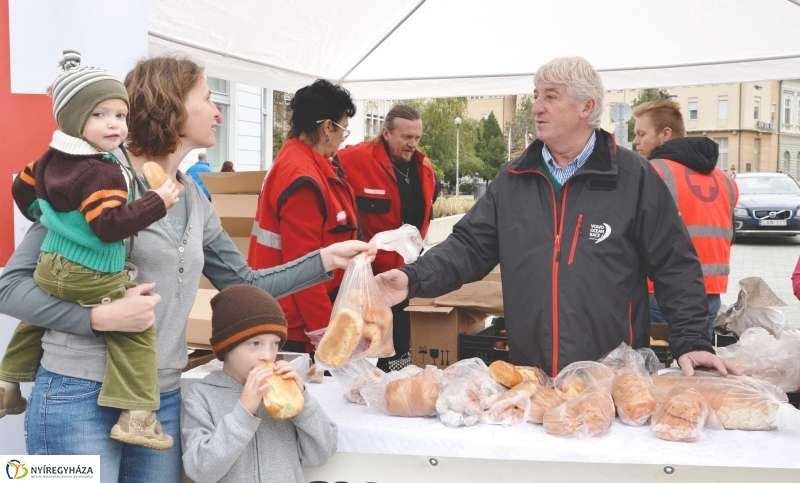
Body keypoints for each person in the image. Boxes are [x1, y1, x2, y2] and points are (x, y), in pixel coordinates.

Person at [0, 55, 372, 483]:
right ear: (170, 104)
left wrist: (326, 259)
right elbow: (10, 287)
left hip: (161, 397)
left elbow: (244, 284)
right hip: (76, 393)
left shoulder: (194, 197)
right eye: (209, 98)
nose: (218, 112)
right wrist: (95, 317)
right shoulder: (95, 176)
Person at [374, 56, 741, 378]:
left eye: (550, 96)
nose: (536, 107)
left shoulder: (634, 177)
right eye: (536, 95)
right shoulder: (513, 178)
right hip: (532, 375)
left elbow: (675, 263)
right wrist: (411, 278)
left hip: (612, 376)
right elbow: (468, 247)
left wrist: (693, 340)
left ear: (587, 107)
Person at [0, 51, 181, 450]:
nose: (114, 124)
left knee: (38, 317)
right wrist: (156, 202)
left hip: (53, 267)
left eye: (120, 114)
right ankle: (136, 415)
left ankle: (7, 383)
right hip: (89, 274)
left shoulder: (50, 156)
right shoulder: (102, 169)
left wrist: (48, 214)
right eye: (99, 114)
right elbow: (108, 226)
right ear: (75, 118)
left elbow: (22, 189)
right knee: (136, 332)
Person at [182, 284, 336, 483]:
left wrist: (303, 401)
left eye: (275, 344)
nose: (267, 355)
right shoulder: (201, 397)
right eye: (255, 343)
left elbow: (320, 456)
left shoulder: (283, 391)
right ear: (226, 347)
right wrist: (244, 412)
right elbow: (201, 471)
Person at [249, 79, 358, 355]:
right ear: (327, 128)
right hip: (295, 323)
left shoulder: (300, 162)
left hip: (286, 311)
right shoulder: (303, 177)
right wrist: (326, 336)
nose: (344, 138)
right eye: (343, 129)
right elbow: (304, 269)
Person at [335, 105, 437, 372]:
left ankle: (392, 383)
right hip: (362, 279)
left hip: (401, 277)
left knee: (398, 350)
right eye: (406, 137)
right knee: (347, 347)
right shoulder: (352, 159)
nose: (413, 144)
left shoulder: (424, 168)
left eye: (417, 137)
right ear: (386, 133)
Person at [632, 99, 738, 339]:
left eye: (641, 133)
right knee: (694, 367)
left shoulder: (652, 172)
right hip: (710, 292)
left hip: (660, 292)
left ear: (665, 134)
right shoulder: (725, 180)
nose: (636, 141)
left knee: (655, 368)